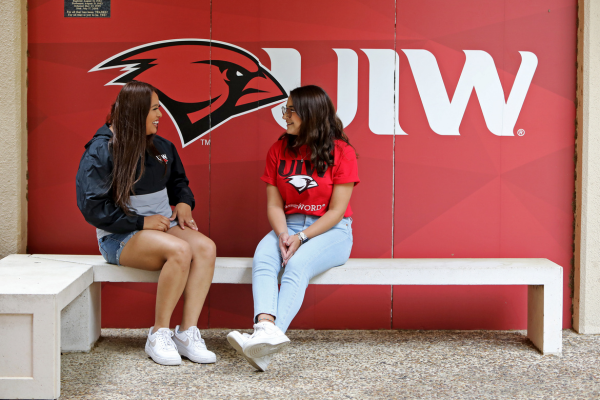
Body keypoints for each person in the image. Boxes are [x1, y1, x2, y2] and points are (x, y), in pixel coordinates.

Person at [76, 81, 217, 366]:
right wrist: (140, 222)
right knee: (180, 251)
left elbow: (179, 182)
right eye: (155, 109)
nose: (160, 115)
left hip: (160, 226)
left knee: (205, 248)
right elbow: (93, 207)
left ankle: (187, 334)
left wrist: (184, 203)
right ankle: (159, 333)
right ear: (136, 112)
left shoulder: (162, 148)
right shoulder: (101, 150)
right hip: (119, 235)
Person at [227, 85, 359, 371]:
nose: (285, 116)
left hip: (331, 232)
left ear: (310, 114)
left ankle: (266, 338)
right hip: (287, 225)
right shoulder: (278, 149)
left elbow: (336, 212)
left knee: (296, 266)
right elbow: (274, 205)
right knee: (263, 260)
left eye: (290, 110)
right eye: (285, 110)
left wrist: (301, 237)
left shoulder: (342, 152)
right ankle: (264, 332)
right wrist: (284, 234)